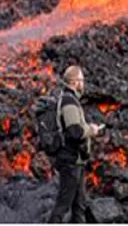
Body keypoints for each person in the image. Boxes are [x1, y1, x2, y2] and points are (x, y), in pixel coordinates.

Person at [48, 66, 104, 223]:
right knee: (63, 205)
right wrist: (91, 130)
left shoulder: (70, 100)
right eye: (81, 80)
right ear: (74, 82)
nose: (83, 84)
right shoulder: (69, 101)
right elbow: (75, 131)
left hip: (76, 161)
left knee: (79, 205)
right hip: (70, 161)